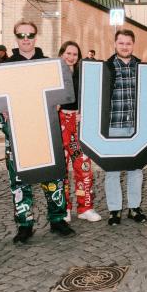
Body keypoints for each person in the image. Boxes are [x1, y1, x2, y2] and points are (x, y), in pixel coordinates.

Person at [3, 21, 75, 243]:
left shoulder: (48, 64)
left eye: (30, 35)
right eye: (21, 35)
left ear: (36, 36)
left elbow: (61, 94)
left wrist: (56, 104)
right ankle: (25, 224)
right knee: (19, 178)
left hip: (44, 128)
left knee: (52, 173)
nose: (26, 39)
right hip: (17, 129)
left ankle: (57, 219)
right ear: (15, 37)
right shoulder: (5, 66)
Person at [105, 29, 147, 225]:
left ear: (133, 44)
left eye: (128, 43)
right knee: (112, 171)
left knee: (136, 169)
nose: (124, 46)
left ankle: (134, 207)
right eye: (121, 43)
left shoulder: (141, 67)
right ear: (115, 44)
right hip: (113, 125)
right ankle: (114, 210)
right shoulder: (106, 67)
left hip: (135, 127)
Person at [57, 41, 102, 223]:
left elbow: (92, 96)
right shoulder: (53, 72)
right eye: (68, 53)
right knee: (61, 168)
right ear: (61, 54)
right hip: (59, 122)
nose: (71, 57)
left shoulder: (83, 74)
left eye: (75, 54)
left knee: (83, 167)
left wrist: (84, 113)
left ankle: (86, 208)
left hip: (78, 123)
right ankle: (64, 208)